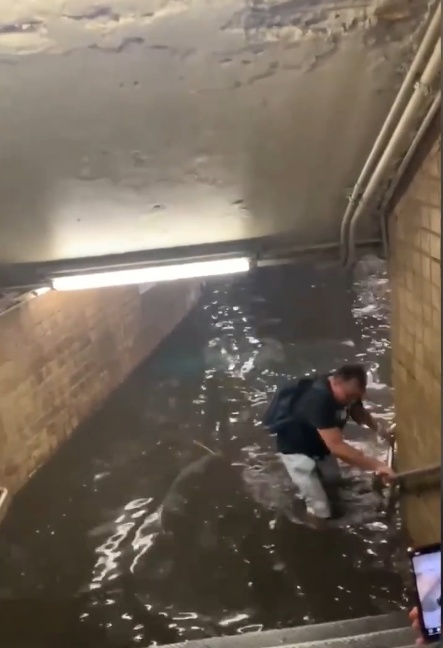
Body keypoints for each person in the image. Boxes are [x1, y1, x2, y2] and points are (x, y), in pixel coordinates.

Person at [269, 364, 395, 519]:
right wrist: (378, 465)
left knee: (334, 482)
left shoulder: (346, 389)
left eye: (355, 397)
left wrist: (380, 429)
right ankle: (315, 525)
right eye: (348, 397)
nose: (350, 400)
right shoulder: (318, 400)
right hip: (297, 449)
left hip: (320, 444)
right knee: (321, 509)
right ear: (335, 383)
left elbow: (357, 410)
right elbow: (337, 447)